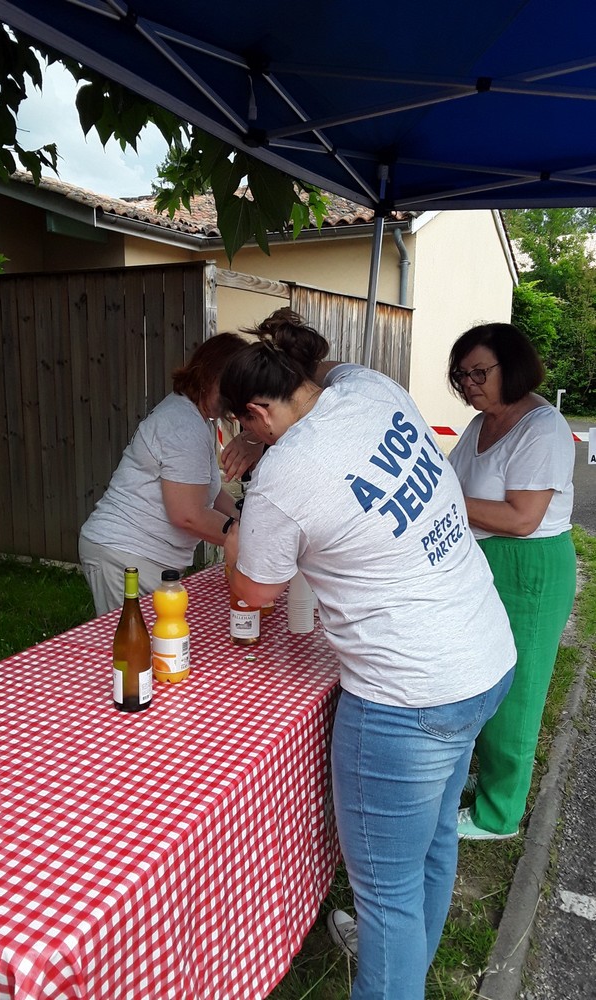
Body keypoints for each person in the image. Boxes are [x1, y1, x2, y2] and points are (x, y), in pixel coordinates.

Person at [219, 308, 516, 1000]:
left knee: (385, 894)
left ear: (254, 413)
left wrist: (237, 529)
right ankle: (411, 964)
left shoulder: (284, 476)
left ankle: (394, 973)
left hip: (408, 698)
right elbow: (323, 377)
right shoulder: (368, 386)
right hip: (483, 654)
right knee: (434, 843)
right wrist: (267, 440)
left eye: (242, 425)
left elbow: (253, 594)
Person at [447, 322, 576, 840]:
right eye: (462, 375)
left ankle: (499, 814)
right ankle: (487, 778)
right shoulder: (482, 424)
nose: (469, 384)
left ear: (513, 367)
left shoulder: (541, 428)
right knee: (483, 675)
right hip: (486, 562)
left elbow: (522, 518)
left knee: (519, 690)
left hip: (529, 567)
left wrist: (446, 502)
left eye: (480, 372)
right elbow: (449, 477)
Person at [79, 332, 247, 615]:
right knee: (136, 641)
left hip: (139, 555)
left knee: (162, 636)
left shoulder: (198, 419)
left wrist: (244, 517)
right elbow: (188, 514)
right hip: (124, 554)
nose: (236, 399)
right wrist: (240, 535)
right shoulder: (184, 424)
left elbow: (207, 489)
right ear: (209, 375)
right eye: (231, 386)